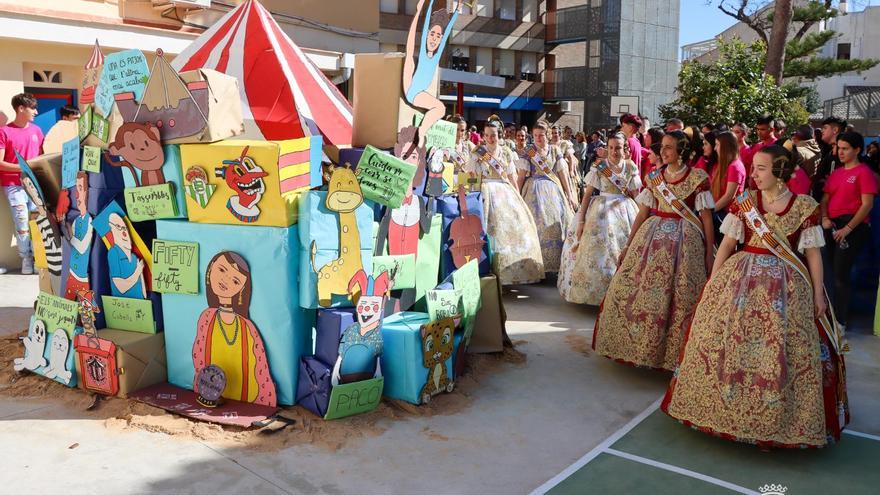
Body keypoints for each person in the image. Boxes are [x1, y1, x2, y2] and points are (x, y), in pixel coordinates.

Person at [663, 143, 849, 448]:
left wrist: (818, 295)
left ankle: (779, 420)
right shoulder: (745, 202)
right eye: (753, 168)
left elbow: (813, 256)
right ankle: (724, 411)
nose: (754, 174)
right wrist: (713, 281)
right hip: (739, 283)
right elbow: (727, 244)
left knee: (780, 351)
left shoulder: (804, 207)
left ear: (779, 171)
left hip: (788, 292)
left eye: (761, 168)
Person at [592, 130, 715, 370]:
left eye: (669, 147)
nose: (663, 151)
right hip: (651, 240)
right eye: (663, 147)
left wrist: (709, 253)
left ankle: (673, 356)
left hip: (685, 246)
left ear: (682, 151)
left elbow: (707, 220)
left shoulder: (697, 178)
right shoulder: (655, 176)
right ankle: (638, 348)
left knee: (680, 297)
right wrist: (629, 244)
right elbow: (643, 213)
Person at [559, 133, 640, 305]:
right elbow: (587, 195)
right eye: (610, 147)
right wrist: (581, 221)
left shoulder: (631, 167)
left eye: (618, 147)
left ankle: (620, 295)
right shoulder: (600, 166)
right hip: (600, 213)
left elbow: (636, 195)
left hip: (625, 212)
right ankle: (598, 295)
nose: (613, 151)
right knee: (600, 254)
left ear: (624, 148)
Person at [464, 119, 544, 285]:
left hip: (504, 192)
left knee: (510, 231)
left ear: (499, 135)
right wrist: (472, 197)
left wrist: (517, 196)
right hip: (484, 191)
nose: (490, 139)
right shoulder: (477, 152)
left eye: (493, 135)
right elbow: (472, 176)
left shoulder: (507, 152)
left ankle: (508, 273)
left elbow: (511, 177)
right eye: (486, 135)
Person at [194, 251, 277, 406]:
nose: (225, 280)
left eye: (236, 281)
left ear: (242, 289)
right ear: (211, 268)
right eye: (222, 270)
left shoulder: (247, 326)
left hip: (246, 396)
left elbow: (258, 368)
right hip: (211, 389)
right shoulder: (207, 318)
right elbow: (199, 356)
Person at [821, 131, 878, 332]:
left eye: (845, 148)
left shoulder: (864, 173)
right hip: (831, 226)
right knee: (827, 272)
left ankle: (840, 322)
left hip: (853, 227)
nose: (840, 152)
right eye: (838, 148)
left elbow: (867, 205)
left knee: (840, 274)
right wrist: (825, 218)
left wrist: (848, 228)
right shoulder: (836, 173)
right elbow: (825, 200)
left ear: (858, 150)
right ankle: (827, 317)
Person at [518, 121, 577, 275]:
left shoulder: (555, 150)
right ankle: (536, 266)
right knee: (535, 226)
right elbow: (521, 177)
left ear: (548, 135)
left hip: (553, 192)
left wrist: (569, 194)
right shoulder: (528, 151)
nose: (538, 138)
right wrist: (517, 195)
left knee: (556, 226)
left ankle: (553, 265)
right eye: (536, 135)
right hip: (533, 192)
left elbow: (563, 174)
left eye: (542, 135)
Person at [403, 0, 462, 147]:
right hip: (412, 90)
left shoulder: (436, 56)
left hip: (418, 93)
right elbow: (423, 28)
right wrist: (422, 9)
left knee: (440, 108)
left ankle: (421, 132)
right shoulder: (423, 51)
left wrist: (456, 13)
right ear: (427, 35)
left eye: (438, 36)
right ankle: (421, 133)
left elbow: (447, 31)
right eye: (432, 34)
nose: (434, 39)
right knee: (409, 56)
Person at [0, 93, 43, 275]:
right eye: (33, 108)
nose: (36, 111)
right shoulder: (4, 132)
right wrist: (23, 168)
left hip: (35, 185)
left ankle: (37, 259)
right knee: (22, 222)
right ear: (21, 108)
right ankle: (25, 258)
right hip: (13, 184)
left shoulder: (37, 131)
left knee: (37, 222)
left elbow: (43, 157)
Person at [812, 116, 848, 201]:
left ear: (835, 130)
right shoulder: (828, 151)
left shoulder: (844, 156)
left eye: (825, 128)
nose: (822, 131)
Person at [550, 124, 580, 203]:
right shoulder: (548, 144)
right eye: (552, 133)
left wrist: (571, 170)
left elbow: (571, 158)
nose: (554, 135)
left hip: (563, 170)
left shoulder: (564, 143)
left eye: (556, 133)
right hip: (551, 170)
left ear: (559, 133)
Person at [789, 124, 820, 195]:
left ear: (796, 136)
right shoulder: (817, 150)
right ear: (813, 136)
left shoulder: (797, 152)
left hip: (795, 193)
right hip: (811, 193)